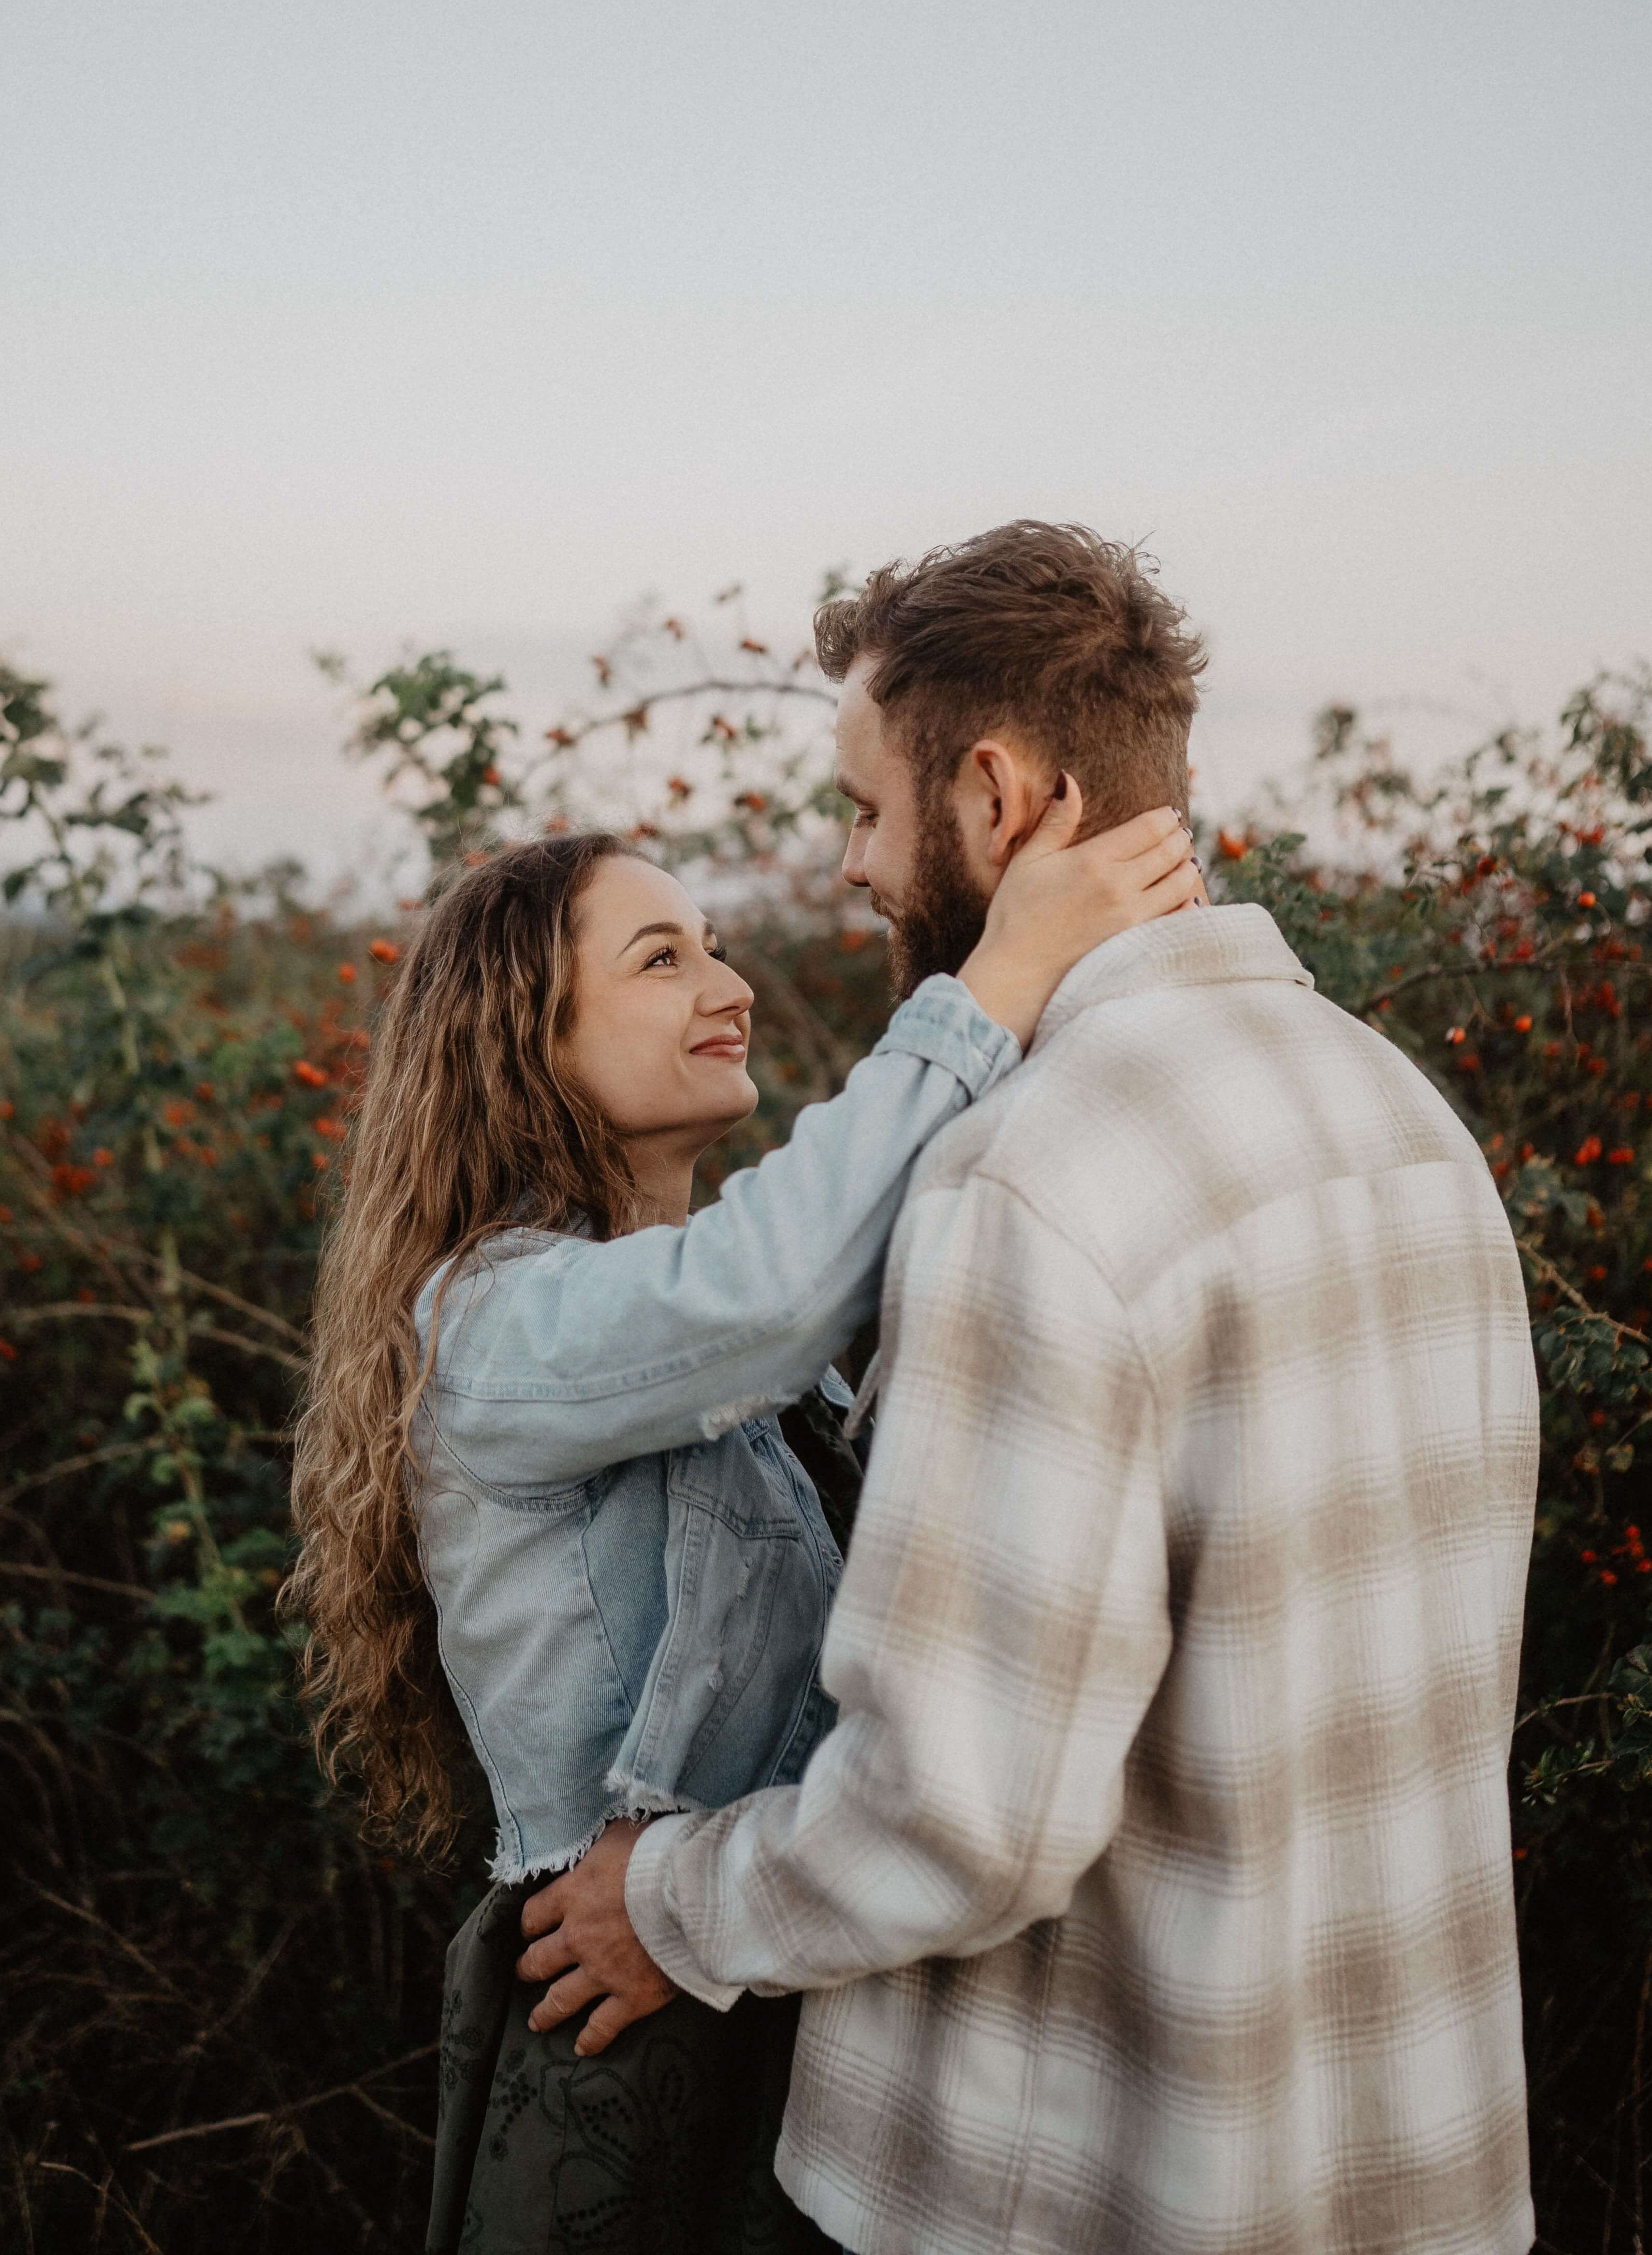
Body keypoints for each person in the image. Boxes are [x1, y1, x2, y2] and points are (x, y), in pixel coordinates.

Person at [520, 521, 1542, 2255]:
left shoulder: (1029, 1179)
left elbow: (957, 1823)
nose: (848, 866)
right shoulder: (1401, 1118)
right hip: (1400, 2173)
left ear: (994, 796)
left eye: (863, 806)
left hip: (1078, 2187)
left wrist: (670, 1906)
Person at [285, 777, 1201, 2252]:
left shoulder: (707, 1344)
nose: (731, 986)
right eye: (663, 959)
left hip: (764, 1965)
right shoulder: (498, 1324)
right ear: (526, 1037)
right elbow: (765, 1291)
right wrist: (999, 980)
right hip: (621, 2009)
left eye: (714, 945)